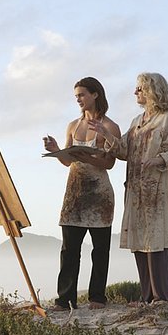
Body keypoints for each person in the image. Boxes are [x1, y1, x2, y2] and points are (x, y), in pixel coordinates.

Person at [88, 72, 168, 304]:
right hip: (134, 191)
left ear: (152, 91)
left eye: (140, 88)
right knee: (140, 240)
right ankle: (147, 295)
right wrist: (105, 135)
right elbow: (123, 151)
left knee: (156, 240)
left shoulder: (167, 119)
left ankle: (162, 295)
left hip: (156, 189)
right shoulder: (136, 122)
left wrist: (160, 159)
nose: (135, 92)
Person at [43, 77, 121, 311]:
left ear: (95, 94)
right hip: (74, 193)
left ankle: (97, 297)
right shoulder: (72, 126)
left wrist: (91, 158)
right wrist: (56, 150)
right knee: (69, 250)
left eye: (82, 95)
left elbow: (110, 163)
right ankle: (65, 300)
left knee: (100, 250)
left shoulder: (110, 126)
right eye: (76, 96)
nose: (78, 99)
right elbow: (67, 161)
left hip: (99, 193)